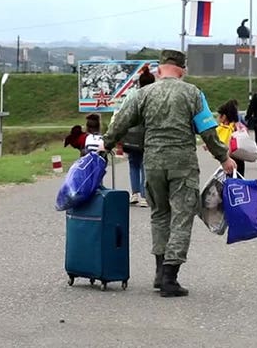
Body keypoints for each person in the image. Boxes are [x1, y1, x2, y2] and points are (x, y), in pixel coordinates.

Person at [102, 49, 236, 298]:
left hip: (152, 164)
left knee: (159, 214)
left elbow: (120, 122)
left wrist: (105, 145)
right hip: (182, 163)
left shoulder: (143, 93)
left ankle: (158, 270)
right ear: (182, 70)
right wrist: (224, 157)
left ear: (159, 69)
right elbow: (208, 130)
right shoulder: (193, 93)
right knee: (182, 217)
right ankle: (169, 277)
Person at [110, 66, 156, 208]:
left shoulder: (132, 95)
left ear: (139, 83)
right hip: (148, 135)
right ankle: (144, 196)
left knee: (133, 164)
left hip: (131, 135)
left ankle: (134, 193)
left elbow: (121, 113)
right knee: (145, 165)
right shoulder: (154, 97)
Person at [215, 99, 246, 176]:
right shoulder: (239, 126)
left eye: (219, 115)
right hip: (240, 158)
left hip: (229, 160)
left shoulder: (225, 129)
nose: (218, 118)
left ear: (224, 116)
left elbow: (220, 142)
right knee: (239, 181)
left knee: (229, 182)